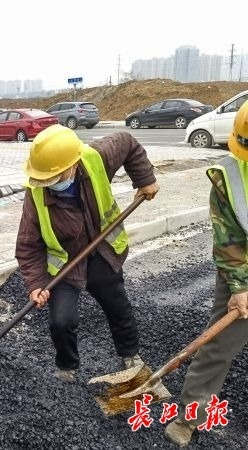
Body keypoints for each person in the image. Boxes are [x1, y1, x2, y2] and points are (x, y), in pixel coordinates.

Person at [15, 125, 159, 383]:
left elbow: (127, 142)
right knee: (61, 321)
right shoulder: (36, 192)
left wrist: (145, 179)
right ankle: (66, 368)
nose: (48, 184)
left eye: (55, 178)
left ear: (72, 165)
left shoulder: (96, 158)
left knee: (117, 305)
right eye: (45, 179)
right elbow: (28, 244)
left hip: (101, 251)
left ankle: (130, 356)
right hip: (64, 265)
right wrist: (36, 284)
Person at [164, 102, 248, 446]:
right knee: (218, 345)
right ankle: (189, 415)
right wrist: (239, 287)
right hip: (241, 264)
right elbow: (227, 236)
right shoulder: (228, 175)